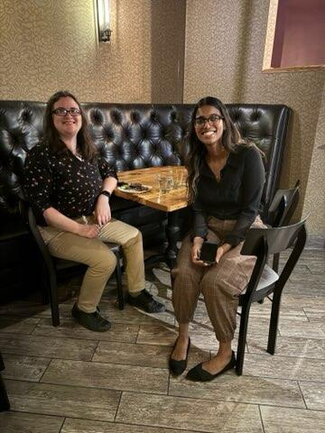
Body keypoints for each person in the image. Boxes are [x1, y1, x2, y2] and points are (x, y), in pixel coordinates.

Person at [24, 90, 165, 332]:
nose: (69, 115)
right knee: (105, 259)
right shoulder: (41, 154)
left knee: (134, 237)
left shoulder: (86, 148)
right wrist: (79, 229)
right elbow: (43, 209)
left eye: (74, 110)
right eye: (61, 110)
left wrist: (103, 198)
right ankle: (84, 309)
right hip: (57, 230)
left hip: (91, 218)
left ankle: (136, 291)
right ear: (51, 118)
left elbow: (111, 175)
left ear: (81, 117)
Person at [169, 96, 266, 381]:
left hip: (246, 229)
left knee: (216, 281)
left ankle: (225, 352)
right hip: (209, 225)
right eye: (200, 120)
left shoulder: (248, 155)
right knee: (184, 272)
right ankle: (183, 336)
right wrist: (198, 238)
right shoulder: (195, 158)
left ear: (224, 122)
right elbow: (198, 207)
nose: (207, 124)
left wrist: (225, 246)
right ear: (194, 127)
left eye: (213, 118)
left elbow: (251, 210)